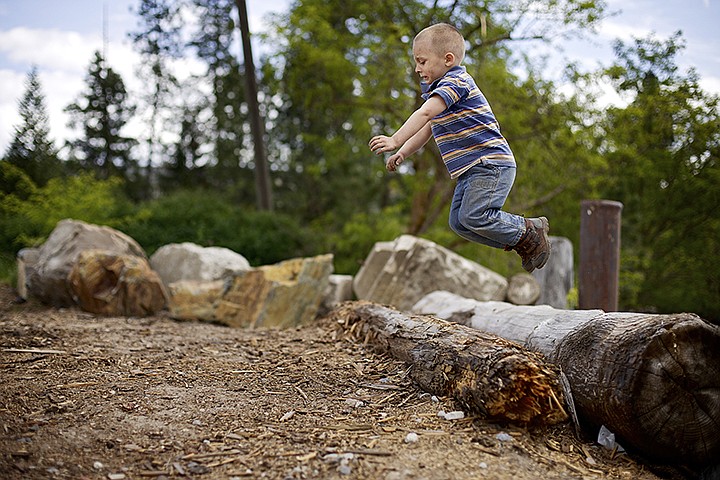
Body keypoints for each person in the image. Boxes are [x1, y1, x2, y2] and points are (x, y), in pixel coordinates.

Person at [368, 22, 550, 273]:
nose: (417, 68)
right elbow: (428, 128)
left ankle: (528, 229)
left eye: (422, 61)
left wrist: (395, 139)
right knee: (460, 224)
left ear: (448, 59)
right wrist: (403, 152)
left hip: (490, 165)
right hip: (470, 171)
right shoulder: (439, 91)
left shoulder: (457, 82)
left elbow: (425, 113)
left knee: (474, 216)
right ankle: (519, 239)